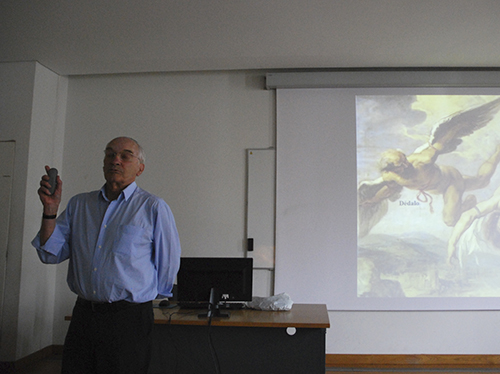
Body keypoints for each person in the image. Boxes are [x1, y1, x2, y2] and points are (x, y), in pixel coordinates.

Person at [32, 136, 181, 374]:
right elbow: (49, 254)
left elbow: (168, 263)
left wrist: (151, 299)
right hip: (84, 316)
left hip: (129, 319)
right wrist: (50, 209)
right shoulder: (79, 204)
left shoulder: (153, 207)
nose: (116, 160)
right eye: (110, 154)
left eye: (125, 155)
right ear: (103, 163)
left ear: (140, 168)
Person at [447, 185, 500, 266]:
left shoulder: (495, 202)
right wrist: (452, 243)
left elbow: (468, 215)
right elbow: (468, 215)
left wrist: (452, 243)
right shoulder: (496, 202)